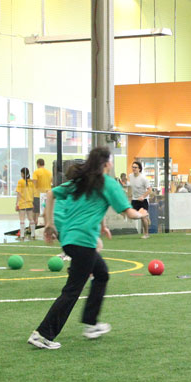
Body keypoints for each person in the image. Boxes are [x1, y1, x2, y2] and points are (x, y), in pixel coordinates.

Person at [28, 147, 149, 350]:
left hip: (69, 239)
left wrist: (49, 223)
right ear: (106, 164)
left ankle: (91, 323)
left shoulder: (81, 181)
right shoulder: (107, 183)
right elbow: (129, 212)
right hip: (83, 241)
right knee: (72, 290)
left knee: (101, 274)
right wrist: (142, 213)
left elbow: (50, 194)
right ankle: (43, 333)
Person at [128, 161, 153, 238]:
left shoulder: (143, 178)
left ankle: (146, 234)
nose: (133, 169)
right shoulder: (130, 176)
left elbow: (149, 190)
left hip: (143, 200)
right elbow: (130, 187)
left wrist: (143, 196)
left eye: (135, 167)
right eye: (133, 167)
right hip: (135, 200)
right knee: (131, 216)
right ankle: (146, 215)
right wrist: (130, 197)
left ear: (139, 169)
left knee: (143, 217)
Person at [32, 158, 53, 229]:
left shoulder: (36, 172)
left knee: (35, 213)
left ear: (38, 164)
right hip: (47, 195)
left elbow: (34, 183)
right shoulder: (49, 172)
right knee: (46, 212)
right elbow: (51, 182)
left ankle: (34, 228)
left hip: (38, 195)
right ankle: (46, 227)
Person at [16, 167, 35, 240]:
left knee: (22, 219)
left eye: (21, 173)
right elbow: (33, 193)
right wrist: (32, 202)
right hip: (30, 203)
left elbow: (19, 193)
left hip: (22, 203)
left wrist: (17, 203)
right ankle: (33, 234)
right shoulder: (31, 182)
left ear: (23, 174)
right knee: (31, 219)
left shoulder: (20, 182)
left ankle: (22, 235)